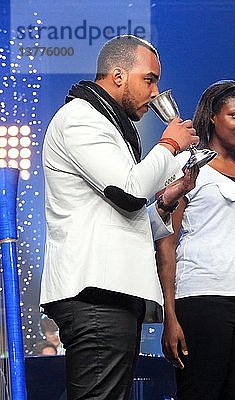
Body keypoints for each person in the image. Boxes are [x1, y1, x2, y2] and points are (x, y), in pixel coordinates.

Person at [40, 35, 199, 400]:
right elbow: (128, 192)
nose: (156, 91)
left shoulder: (107, 125)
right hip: (96, 290)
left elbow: (121, 212)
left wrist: (166, 201)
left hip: (110, 291)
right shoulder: (81, 118)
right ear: (117, 75)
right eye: (149, 79)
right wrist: (170, 144)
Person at [156, 80, 235, 400]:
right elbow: (166, 243)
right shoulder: (187, 164)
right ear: (213, 116)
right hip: (201, 298)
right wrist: (169, 315)